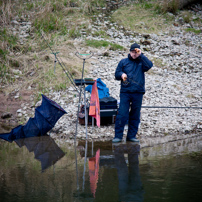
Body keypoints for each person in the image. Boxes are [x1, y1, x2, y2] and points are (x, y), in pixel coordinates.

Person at [112, 43, 153, 143]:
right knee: (122, 114)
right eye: (133, 52)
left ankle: (131, 136)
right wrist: (121, 74)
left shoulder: (142, 62)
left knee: (135, 114)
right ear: (130, 52)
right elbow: (116, 74)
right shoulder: (123, 62)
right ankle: (118, 136)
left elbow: (149, 65)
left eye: (136, 52)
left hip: (138, 92)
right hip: (125, 92)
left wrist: (141, 55)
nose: (135, 54)